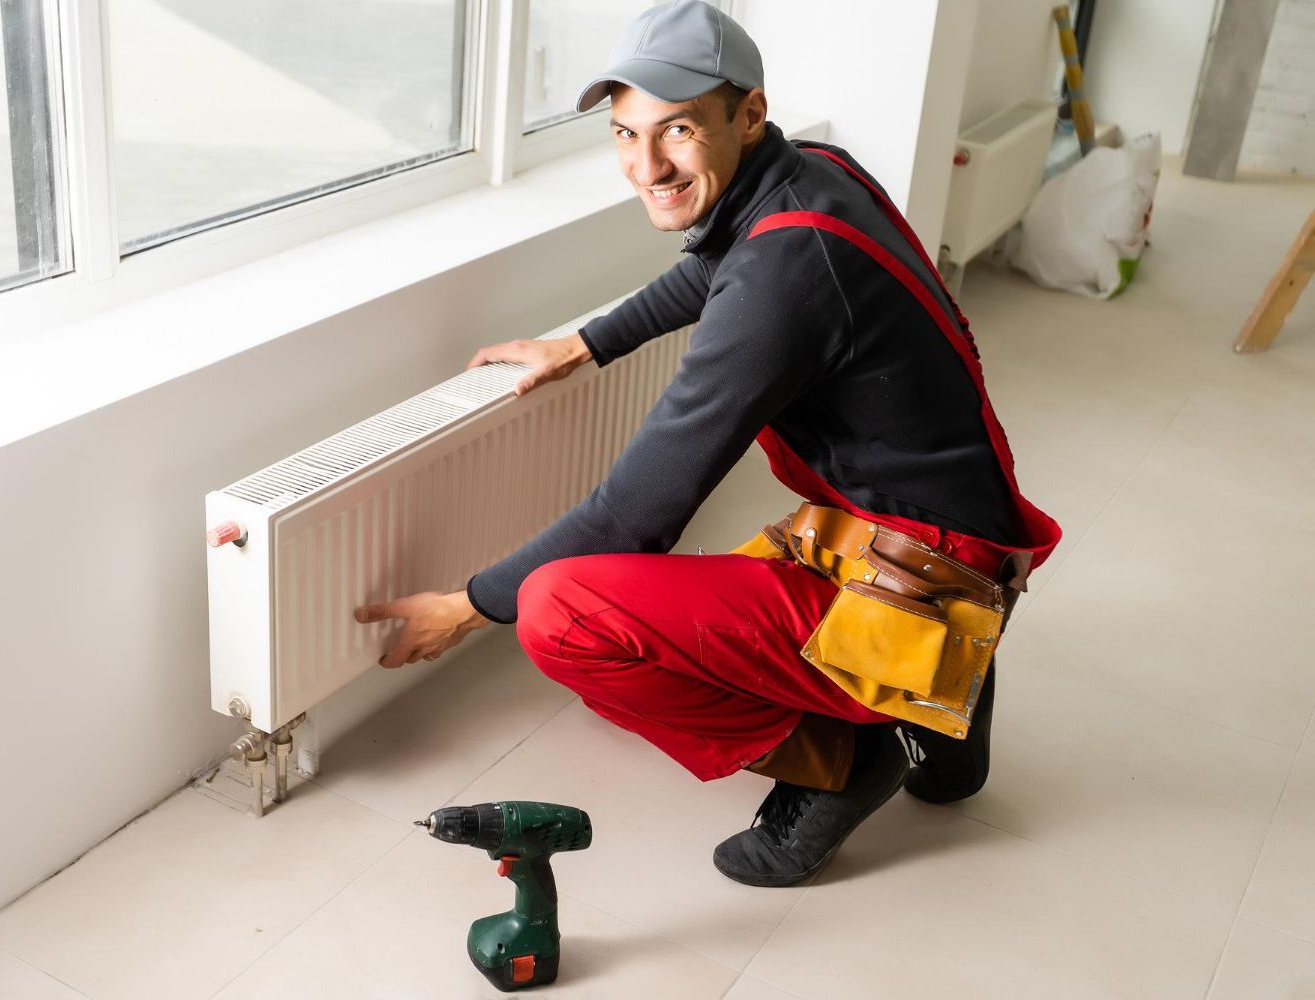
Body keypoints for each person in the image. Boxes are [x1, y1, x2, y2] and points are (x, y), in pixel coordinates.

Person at [354, 0, 1060, 887]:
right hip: (959, 541)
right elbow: (713, 265)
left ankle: (846, 759)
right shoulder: (812, 175)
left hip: (917, 577)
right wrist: (589, 340)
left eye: (676, 130)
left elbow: (635, 515)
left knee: (561, 614)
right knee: (664, 616)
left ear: (749, 116)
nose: (645, 166)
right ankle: (946, 712)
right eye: (624, 133)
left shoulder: (783, 278)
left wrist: (462, 607)